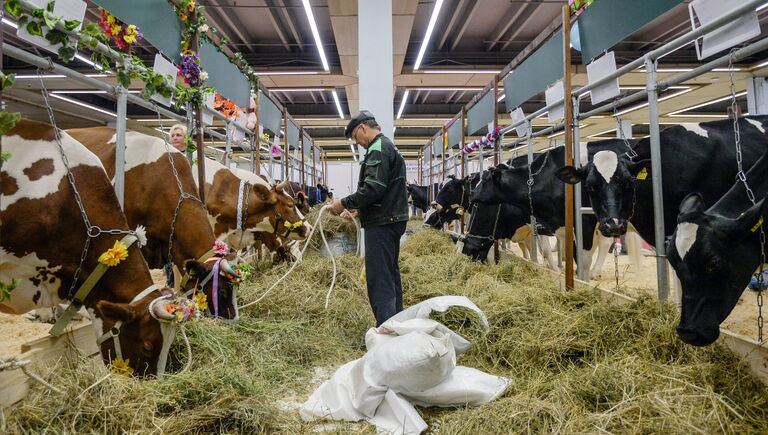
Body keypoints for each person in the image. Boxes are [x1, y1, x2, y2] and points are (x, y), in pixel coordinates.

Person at [327, 111, 409, 329]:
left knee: (379, 277)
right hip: (391, 218)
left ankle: (386, 329)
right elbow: (385, 191)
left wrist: (343, 203)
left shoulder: (377, 149)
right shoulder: (387, 146)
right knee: (389, 273)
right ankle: (396, 323)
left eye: (356, 137)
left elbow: (373, 188)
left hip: (383, 223)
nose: (358, 143)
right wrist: (360, 212)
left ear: (363, 128)